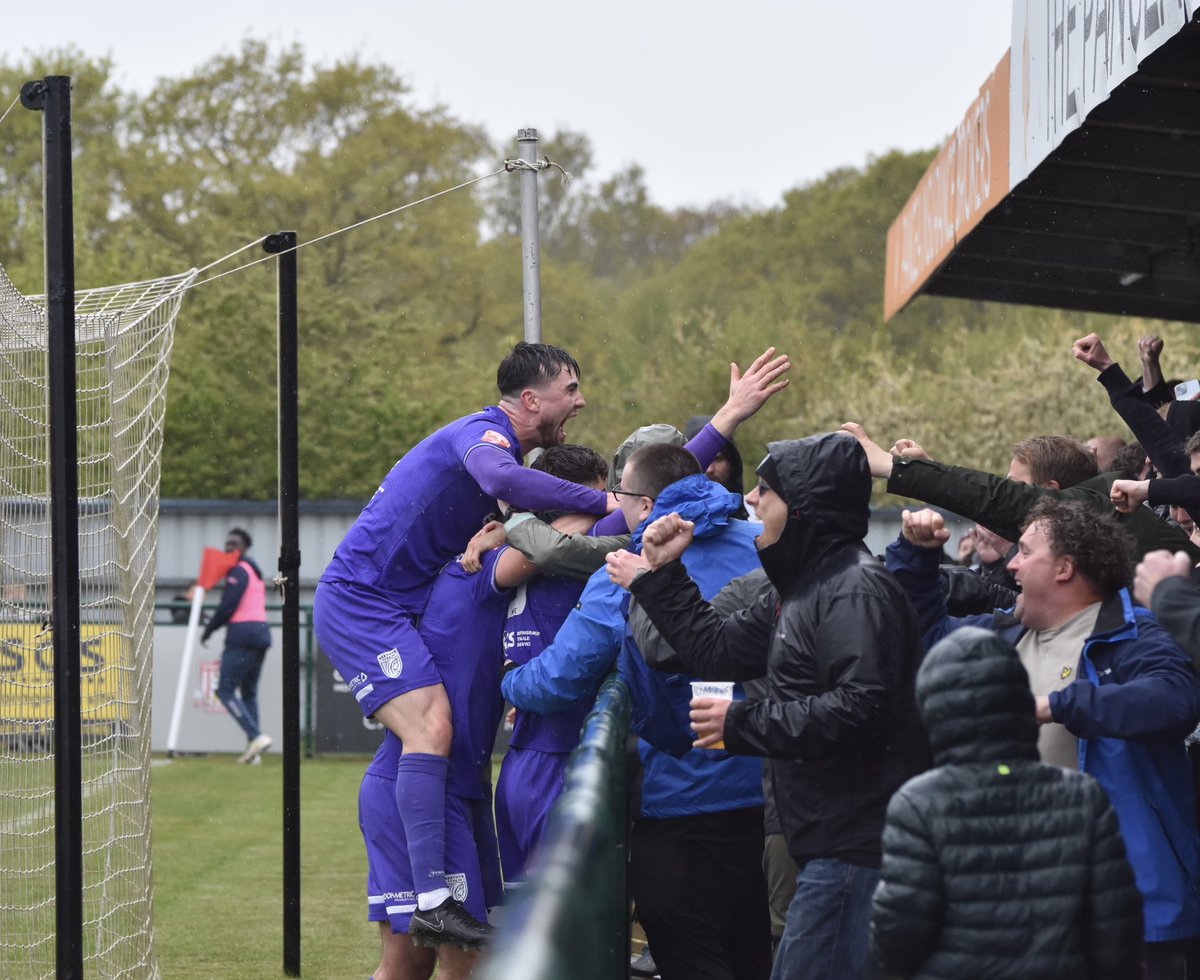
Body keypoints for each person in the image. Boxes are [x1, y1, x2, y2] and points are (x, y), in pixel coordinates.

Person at [315, 342, 614, 945]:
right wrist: (606, 503)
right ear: (531, 399)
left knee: (447, 961)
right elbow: (509, 483)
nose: (581, 401)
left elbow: (529, 518)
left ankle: (433, 900)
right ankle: (432, 898)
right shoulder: (483, 436)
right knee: (431, 728)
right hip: (361, 599)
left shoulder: (494, 526)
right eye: (571, 389)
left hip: (455, 756)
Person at [622, 432, 930, 980]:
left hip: (857, 845)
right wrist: (665, 574)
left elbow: (865, 708)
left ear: (806, 506)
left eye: (767, 489)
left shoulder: (853, 589)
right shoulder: (796, 585)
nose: (751, 500)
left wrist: (742, 722)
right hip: (820, 838)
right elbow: (716, 651)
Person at [888, 501, 1200, 976]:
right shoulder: (1004, 636)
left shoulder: (1134, 635)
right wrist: (916, 556)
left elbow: (1177, 699)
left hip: (1135, 910)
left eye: (1025, 552)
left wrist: (1055, 704)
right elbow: (923, 637)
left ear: (1064, 568)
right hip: (1025, 911)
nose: (1010, 563)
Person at [505, 442, 773, 980]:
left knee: (692, 956)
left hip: (679, 800)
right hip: (770, 795)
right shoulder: (763, 545)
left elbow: (563, 675)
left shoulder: (627, 568)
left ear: (647, 505)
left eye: (621, 495)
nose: (615, 506)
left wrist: (506, 682)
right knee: (755, 953)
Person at [358, 446, 607, 976]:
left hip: (461, 785)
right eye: (582, 500)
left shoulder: (507, 561)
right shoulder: (486, 564)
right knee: (452, 962)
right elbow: (576, 533)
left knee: (422, 965)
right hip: (423, 789)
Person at [870, 626, 1143, 979]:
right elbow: (1116, 929)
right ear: (1019, 699)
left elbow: (898, 934)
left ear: (934, 711)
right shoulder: (1082, 797)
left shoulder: (918, 804)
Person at [201, 527, 273, 764]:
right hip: (261, 635)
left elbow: (228, 606)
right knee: (249, 692)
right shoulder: (253, 570)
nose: (229, 548)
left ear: (244, 548)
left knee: (225, 690)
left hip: (242, 635)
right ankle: (254, 751)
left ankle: (256, 735)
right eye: (227, 544)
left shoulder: (239, 571)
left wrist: (209, 629)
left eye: (234, 544)